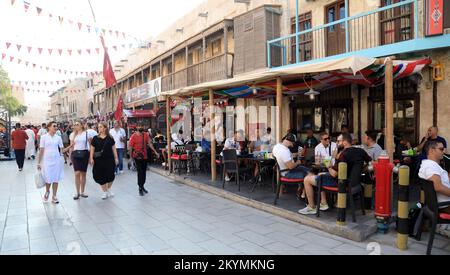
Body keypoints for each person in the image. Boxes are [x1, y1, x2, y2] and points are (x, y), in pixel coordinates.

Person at [299, 133, 372, 215]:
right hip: (355, 183)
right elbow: (370, 162)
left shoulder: (343, 155)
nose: (336, 143)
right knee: (320, 174)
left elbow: (334, 174)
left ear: (344, 142)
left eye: (338, 141)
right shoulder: (360, 151)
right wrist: (361, 170)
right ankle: (323, 202)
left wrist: (328, 166)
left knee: (307, 179)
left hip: (340, 183)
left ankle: (311, 207)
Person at [419, 140, 450, 213]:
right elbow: (438, 187)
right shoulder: (431, 166)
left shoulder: (428, 164)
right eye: (441, 149)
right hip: (445, 206)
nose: (443, 152)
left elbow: (443, 182)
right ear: (432, 150)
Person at [90, 122, 119, 200]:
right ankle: (104, 191)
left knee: (111, 175)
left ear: (105, 128)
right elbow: (92, 149)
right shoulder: (95, 138)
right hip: (98, 160)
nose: (98, 128)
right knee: (99, 175)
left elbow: (114, 148)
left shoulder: (110, 138)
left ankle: (109, 189)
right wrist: (91, 158)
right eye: (98, 127)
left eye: (100, 127)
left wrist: (116, 158)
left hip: (109, 159)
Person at [37, 121, 64, 204]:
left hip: (56, 160)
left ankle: (54, 196)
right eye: (54, 126)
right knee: (48, 178)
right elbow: (41, 150)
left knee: (56, 178)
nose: (56, 127)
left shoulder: (58, 137)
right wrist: (39, 162)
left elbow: (62, 149)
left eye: (56, 126)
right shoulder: (44, 137)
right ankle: (47, 191)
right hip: (47, 161)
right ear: (49, 127)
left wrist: (68, 150)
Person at [129, 125, 160, 196]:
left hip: (144, 156)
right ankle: (140, 187)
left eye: (142, 126)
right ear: (137, 128)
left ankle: (142, 186)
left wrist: (155, 151)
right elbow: (130, 147)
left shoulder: (145, 135)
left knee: (144, 172)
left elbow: (149, 143)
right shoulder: (133, 136)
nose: (141, 128)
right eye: (139, 126)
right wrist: (130, 157)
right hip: (137, 156)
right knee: (140, 172)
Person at [64, 121, 90, 200]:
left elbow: (91, 145)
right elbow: (71, 146)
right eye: (75, 125)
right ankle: (77, 192)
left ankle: (82, 192)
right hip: (75, 154)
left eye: (77, 124)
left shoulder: (86, 134)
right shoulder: (72, 135)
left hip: (85, 154)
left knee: (83, 174)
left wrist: (91, 157)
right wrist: (70, 158)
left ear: (81, 125)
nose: (75, 126)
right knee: (77, 173)